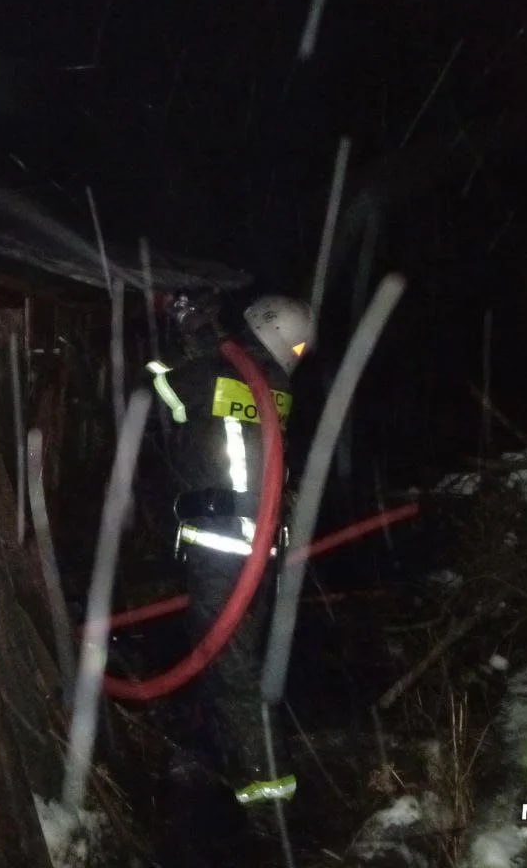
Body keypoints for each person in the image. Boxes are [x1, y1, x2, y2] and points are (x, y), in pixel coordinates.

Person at [144, 291, 312, 844]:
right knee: (232, 661)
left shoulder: (218, 375)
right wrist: (205, 339)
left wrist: (183, 333)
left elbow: (164, 388)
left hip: (223, 547)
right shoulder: (275, 387)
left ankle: (270, 801)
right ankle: (224, 756)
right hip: (256, 551)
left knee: (232, 670)